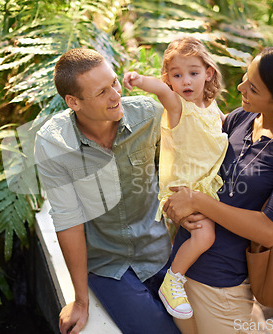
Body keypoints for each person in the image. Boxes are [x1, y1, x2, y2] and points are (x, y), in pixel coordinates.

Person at [161, 45, 273, 334]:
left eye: (252, 87)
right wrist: (177, 207)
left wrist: (199, 202)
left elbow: (268, 229)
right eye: (245, 76)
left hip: (223, 287)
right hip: (179, 275)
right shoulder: (238, 119)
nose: (241, 86)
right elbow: (199, 173)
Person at [34, 48, 180, 334]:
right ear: (73, 102)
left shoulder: (149, 116)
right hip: (107, 266)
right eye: (102, 92)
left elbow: (174, 175)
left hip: (161, 252)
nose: (116, 95)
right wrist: (80, 300)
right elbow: (68, 220)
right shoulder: (54, 144)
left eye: (114, 82)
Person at [123, 36, 228, 320]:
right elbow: (160, 91)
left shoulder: (213, 107)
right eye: (177, 75)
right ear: (168, 79)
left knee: (202, 234)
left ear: (208, 73)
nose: (186, 81)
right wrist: (139, 79)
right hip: (184, 187)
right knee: (204, 235)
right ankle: (173, 281)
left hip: (205, 186)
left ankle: (178, 276)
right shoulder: (178, 107)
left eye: (193, 73)